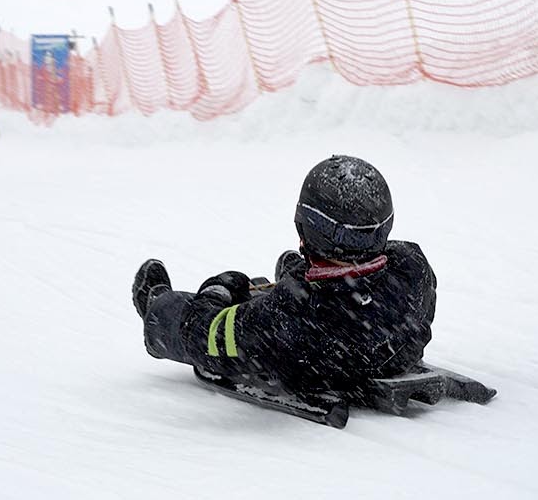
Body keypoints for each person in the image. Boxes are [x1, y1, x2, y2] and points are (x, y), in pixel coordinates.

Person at [132, 155, 436, 395]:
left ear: (307, 227)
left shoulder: (283, 318)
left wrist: (216, 292)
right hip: (365, 329)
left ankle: (156, 303)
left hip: (316, 353)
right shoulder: (413, 269)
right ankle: (314, 275)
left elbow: (204, 340)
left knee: (189, 318)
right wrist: (300, 280)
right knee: (318, 289)